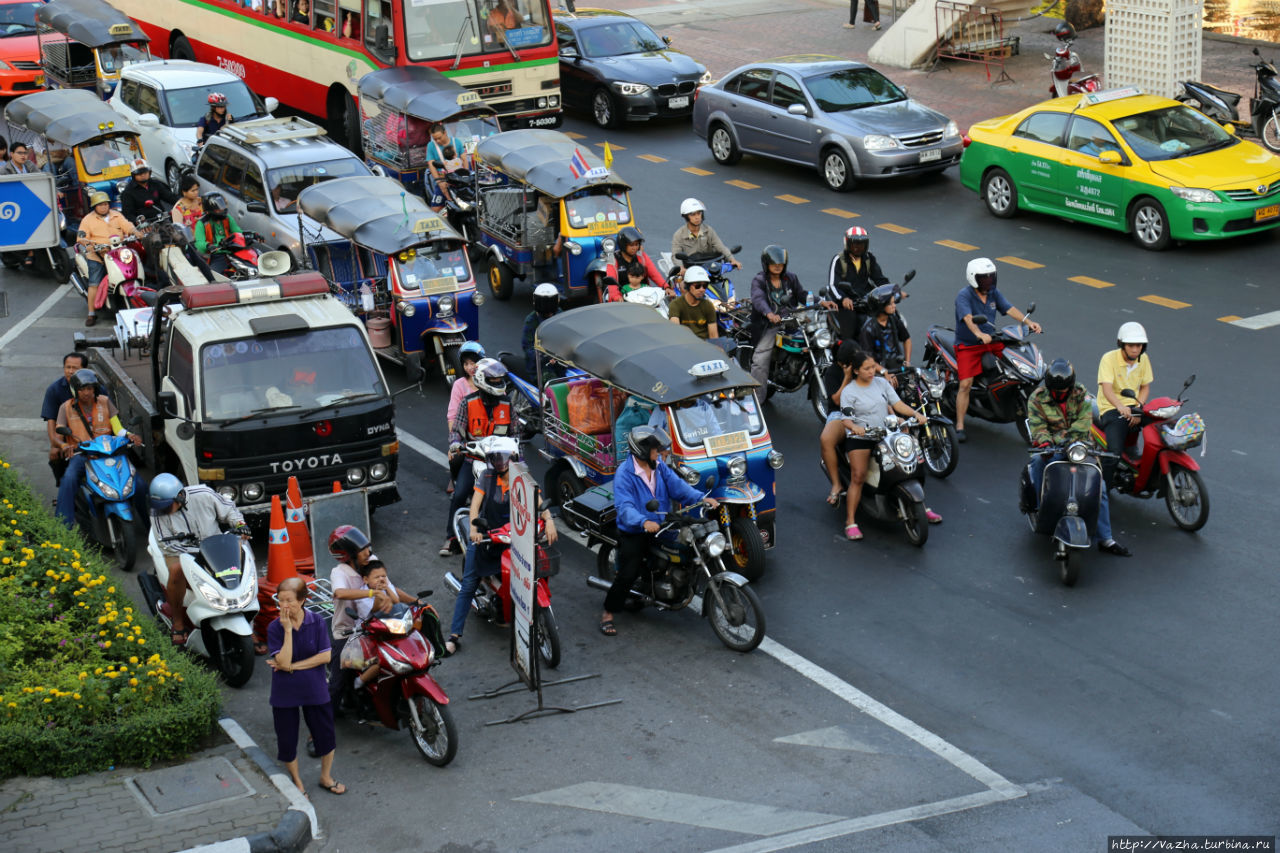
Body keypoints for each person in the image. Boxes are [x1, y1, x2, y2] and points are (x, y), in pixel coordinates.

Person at [601, 425, 717, 636]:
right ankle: (608, 613)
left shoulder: (659, 466)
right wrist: (643, 522)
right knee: (628, 572)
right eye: (656, 449)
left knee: (693, 534)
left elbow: (678, 487)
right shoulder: (624, 474)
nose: (660, 452)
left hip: (662, 521)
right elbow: (624, 507)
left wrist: (701, 499)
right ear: (643, 451)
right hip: (636, 529)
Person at [447, 437, 558, 654]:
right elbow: (475, 506)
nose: (500, 464)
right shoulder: (487, 478)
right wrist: (473, 530)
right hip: (489, 537)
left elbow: (538, 500)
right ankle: (453, 635)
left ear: (514, 458)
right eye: (495, 459)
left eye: (503, 458)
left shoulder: (523, 477)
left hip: (515, 537)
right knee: (470, 582)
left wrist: (550, 521)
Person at [1025, 359, 1131, 556]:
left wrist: (1070, 444)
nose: (1060, 395)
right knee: (1038, 462)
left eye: (1063, 391)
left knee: (1100, 487)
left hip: (1080, 446)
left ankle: (1106, 539)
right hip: (1051, 447)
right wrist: (1046, 443)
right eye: (1056, 392)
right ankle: (1041, 509)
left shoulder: (1081, 394)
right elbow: (1038, 427)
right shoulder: (1037, 398)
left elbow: (1083, 425)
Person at [838, 350, 940, 539]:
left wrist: (915, 415)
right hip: (861, 438)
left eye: (873, 367)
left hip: (886, 432)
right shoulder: (849, 392)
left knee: (911, 464)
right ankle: (850, 521)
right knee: (858, 476)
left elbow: (898, 404)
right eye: (866, 368)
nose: (871, 371)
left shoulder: (881, 383)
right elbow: (846, 419)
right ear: (856, 371)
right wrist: (855, 427)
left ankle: (922, 507)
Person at [149, 473, 251, 644]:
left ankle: (249, 621)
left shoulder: (204, 495)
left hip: (215, 545)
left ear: (180, 496)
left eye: (167, 505)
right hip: (179, 552)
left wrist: (240, 525)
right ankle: (178, 621)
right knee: (176, 571)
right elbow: (166, 543)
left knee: (245, 557)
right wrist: (196, 554)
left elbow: (229, 510)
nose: (163, 510)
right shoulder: (157, 513)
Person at [266, 576, 344, 796]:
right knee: (287, 739)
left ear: (302, 601)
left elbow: (325, 657)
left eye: (289, 600)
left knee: (326, 735)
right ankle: (298, 782)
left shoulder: (317, 622)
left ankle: (325, 776)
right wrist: (288, 630)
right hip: (285, 693)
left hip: (314, 688)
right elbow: (281, 660)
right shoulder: (275, 627)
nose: (285, 605)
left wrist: (292, 667)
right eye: (281, 600)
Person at [952, 257, 1041, 442]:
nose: (989, 281)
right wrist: (978, 333)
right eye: (985, 278)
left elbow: (1008, 308)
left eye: (991, 277)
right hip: (969, 345)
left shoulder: (993, 293)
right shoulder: (964, 296)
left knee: (1015, 363)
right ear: (973, 278)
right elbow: (968, 318)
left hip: (991, 341)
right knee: (965, 384)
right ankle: (960, 425)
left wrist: (1028, 322)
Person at [53, 367, 143, 525]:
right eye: (82, 389)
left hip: (110, 453)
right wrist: (64, 446)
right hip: (82, 455)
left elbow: (118, 429)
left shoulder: (105, 401)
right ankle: (63, 526)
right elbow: (57, 436)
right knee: (69, 479)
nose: (87, 393)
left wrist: (130, 436)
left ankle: (150, 525)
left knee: (139, 483)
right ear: (75, 391)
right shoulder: (65, 408)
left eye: (90, 389)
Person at [442, 359, 513, 555]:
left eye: (500, 380)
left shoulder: (507, 404)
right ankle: (451, 537)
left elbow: (516, 433)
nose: (499, 384)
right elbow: (456, 429)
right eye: (494, 380)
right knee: (459, 495)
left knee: (517, 494)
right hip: (474, 459)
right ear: (482, 380)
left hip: (502, 464)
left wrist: (517, 454)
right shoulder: (468, 402)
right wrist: (455, 442)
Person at [748, 244, 836, 388]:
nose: (778, 267)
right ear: (766, 264)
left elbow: (802, 295)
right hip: (768, 324)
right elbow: (758, 299)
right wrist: (769, 313)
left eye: (781, 264)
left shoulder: (790, 278)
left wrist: (821, 302)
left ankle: (798, 368)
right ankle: (757, 398)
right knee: (761, 360)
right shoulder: (759, 280)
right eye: (774, 264)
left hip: (790, 320)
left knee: (813, 338)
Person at [1096, 322, 1153, 489]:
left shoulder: (1144, 359)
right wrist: (1121, 407)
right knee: (1113, 454)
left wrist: (1138, 409)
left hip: (1134, 406)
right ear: (1122, 344)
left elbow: (1145, 387)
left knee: (1159, 427)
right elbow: (1107, 389)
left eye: (1139, 345)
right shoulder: (1108, 358)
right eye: (1131, 345)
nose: (1135, 349)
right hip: (1111, 408)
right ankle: (1102, 492)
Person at [77, 191, 137, 326]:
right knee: (94, 282)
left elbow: (127, 225)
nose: (104, 207)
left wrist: (135, 231)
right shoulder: (87, 220)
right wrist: (89, 245)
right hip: (98, 255)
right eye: (100, 205)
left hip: (118, 252)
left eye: (105, 204)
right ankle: (91, 313)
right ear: (95, 207)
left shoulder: (117, 215)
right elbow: (81, 237)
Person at [826, 226, 888, 343]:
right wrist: (843, 298)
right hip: (846, 304)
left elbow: (880, 279)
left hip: (864, 300)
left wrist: (892, 291)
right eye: (854, 244)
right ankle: (848, 355)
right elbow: (832, 285)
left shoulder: (869, 258)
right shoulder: (839, 260)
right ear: (847, 244)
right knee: (849, 333)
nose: (857, 247)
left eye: (861, 244)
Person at [819, 341, 860, 505]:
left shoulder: (861, 368)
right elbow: (836, 399)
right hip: (839, 413)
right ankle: (836, 485)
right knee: (826, 439)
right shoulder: (832, 373)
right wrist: (848, 378)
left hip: (863, 410)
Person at [42, 353, 93, 485]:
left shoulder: (96, 388)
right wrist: (56, 444)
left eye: (75, 368)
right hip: (67, 435)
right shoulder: (54, 390)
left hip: (94, 434)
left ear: (84, 369)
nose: (70, 371)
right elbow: (51, 421)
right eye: (67, 367)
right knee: (55, 456)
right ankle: (62, 486)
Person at [446, 341, 487, 493]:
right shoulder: (459, 385)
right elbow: (452, 416)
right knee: (456, 458)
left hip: (488, 433)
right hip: (466, 435)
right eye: (466, 364)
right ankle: (454, 478)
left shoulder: (490, 381)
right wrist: (453, 443)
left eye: (473, 363)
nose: (470, 367)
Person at [670, 198, 738, 277]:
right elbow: (675, 255)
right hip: (690, 272)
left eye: (699, 213)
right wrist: (681, 268)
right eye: (693, 214)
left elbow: (720, 246)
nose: (697, 217)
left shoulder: (708, 231)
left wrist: (732, 259)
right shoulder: (679, 235)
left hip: (710, 269)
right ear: (686, 217)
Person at [857, 286, 910, 376]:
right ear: (881, 307)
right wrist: (884, 372)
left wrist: (907, 362)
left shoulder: (894, 320)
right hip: (878, 373)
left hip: (898, 367)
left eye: (894, 303)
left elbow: (907, 339)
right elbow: (868, 358)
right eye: (890, 304)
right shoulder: (868, 329)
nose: (894, 306)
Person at [194, 193, 243, 275]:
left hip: (232, 250)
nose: (222, 211)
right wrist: (208, 246)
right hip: (217, 255)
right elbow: (199, 243)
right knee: (215, 277)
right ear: (209, 210)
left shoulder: (228, 218)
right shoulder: (201, 223)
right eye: (218, 209)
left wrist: (252, 234)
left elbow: (238, 231)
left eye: (223, 208)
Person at [520, 283, 561, 378]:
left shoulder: (560, 315)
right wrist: (545, 356)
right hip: (539, 368)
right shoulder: (531, 321)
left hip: (561, 364)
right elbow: (528, 347)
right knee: (553, 388)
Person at [668, 265, 719, 340]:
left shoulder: (708, 306)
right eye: (697, 286)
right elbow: (676, 333)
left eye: (704, 286)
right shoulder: (676, 305)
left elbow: (714, 336)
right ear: (688, 286)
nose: (702, 289)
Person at [425, 123, 467, 211]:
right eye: (435, 139)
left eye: (439, 138)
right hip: (443, 180)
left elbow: (464, 160)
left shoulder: (457, 142)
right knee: (435, 209)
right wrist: (439, 182)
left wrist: (466, 176)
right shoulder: (431, 146)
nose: (437, 141)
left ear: (445, 133)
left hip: (459, 181)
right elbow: (431, 164)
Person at [120, 159, 177, 224]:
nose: (143, 175)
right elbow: (127, 214)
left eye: (145, 172)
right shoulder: (128, 192)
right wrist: (137, 221)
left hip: (162, 219)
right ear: (133, 175)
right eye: (139, 173)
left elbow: (170, 197)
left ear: (149, 172)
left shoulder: (156, 184)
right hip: (144, 226)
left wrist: (182, 202)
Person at [615, 226, 668, 293]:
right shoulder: (614, 259)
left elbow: (655, 275)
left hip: (643, 295)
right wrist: (616, 296)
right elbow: (612, 285)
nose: (635, 248)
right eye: (631, 245)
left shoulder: (642, 257)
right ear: (623, 245)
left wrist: (666, 287)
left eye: (636, 244)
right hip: (622, 297)